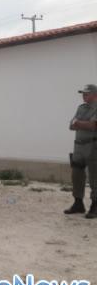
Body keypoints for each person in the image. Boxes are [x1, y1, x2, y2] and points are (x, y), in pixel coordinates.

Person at [64, 84, 97, 218]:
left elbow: (93, 125)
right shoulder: (81, 108)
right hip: (78, 146)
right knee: (76, 174)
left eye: (86, 93)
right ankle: (78, 203)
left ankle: (95, 205)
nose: (84, 95)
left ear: (95, 94)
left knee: (95, 176)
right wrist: (83, 123)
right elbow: (71, 126)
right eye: (83, 93)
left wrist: (79, 123)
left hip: (92, 145)